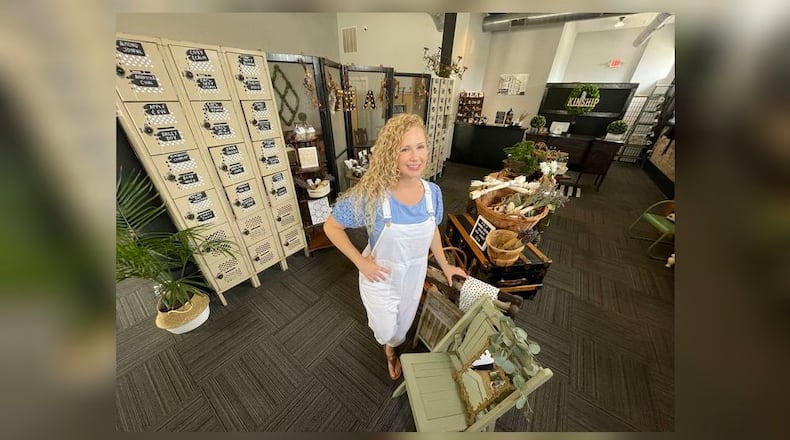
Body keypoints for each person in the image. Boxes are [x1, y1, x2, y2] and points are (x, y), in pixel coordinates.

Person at [324, 113, 467, 380]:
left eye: (420, 146)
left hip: (414, 274)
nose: (416, 157)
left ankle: (392, 350)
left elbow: (432, 230)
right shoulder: (373, 195)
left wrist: (446, 265)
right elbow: (331, 227)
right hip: (380, 277)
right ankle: (389, 347)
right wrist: (360, 262)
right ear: (391, 153)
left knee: (403, 325)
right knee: (386, 328)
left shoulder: (432, 193)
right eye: (405, 149)